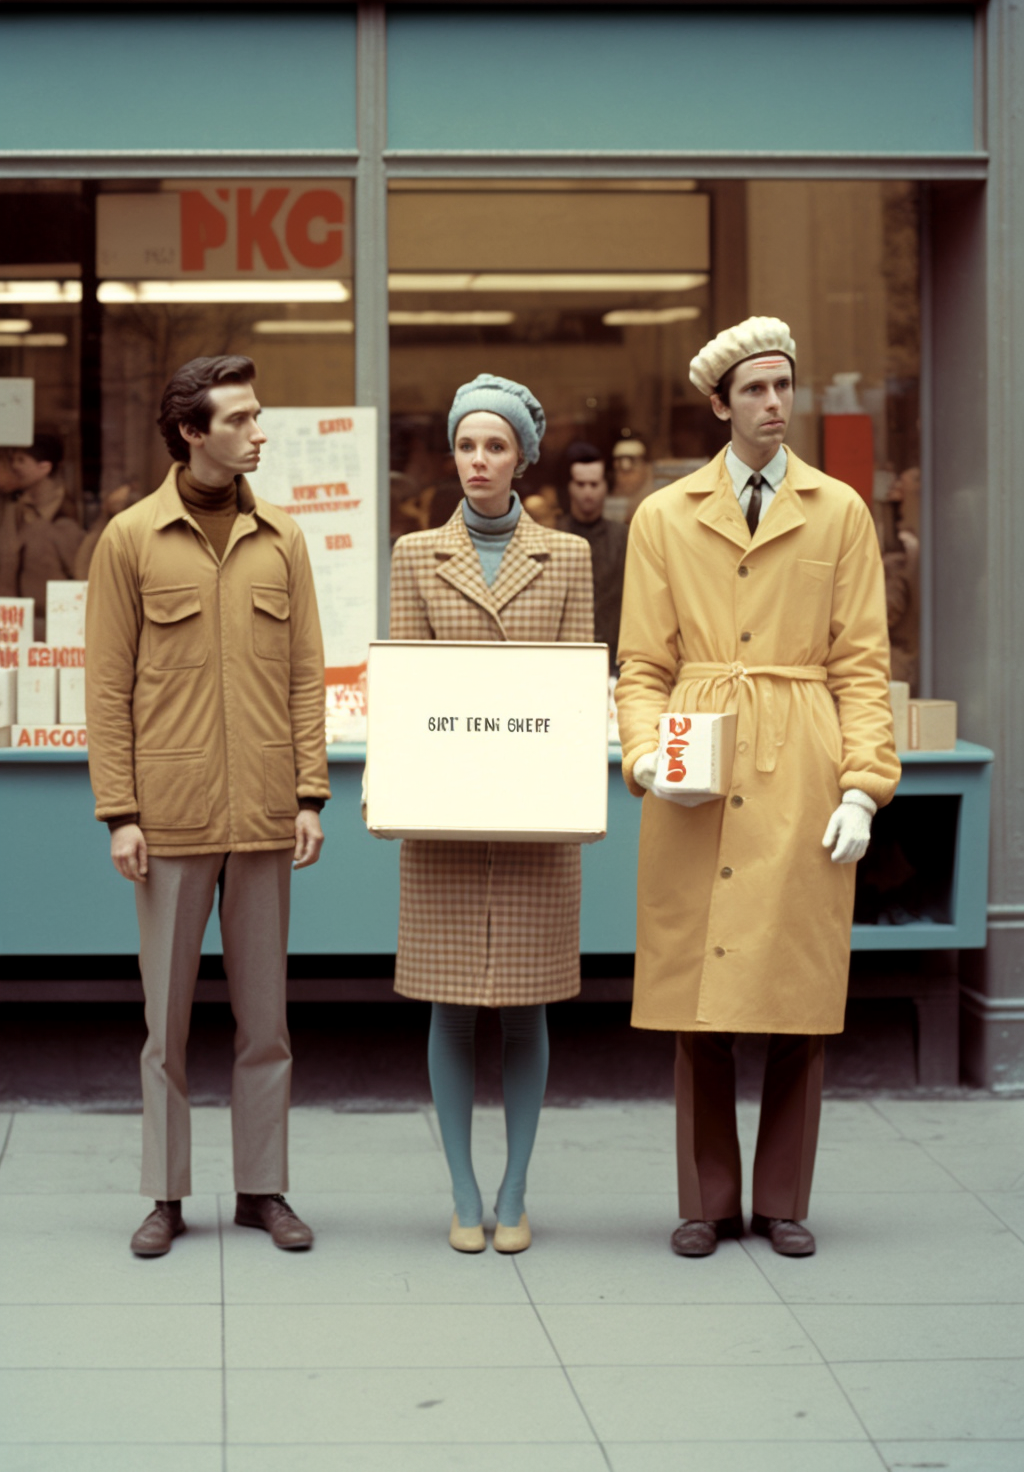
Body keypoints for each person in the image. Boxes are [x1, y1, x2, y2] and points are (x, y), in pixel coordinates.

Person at [615, 317, 899, 1258]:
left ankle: (781, 1200)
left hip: (802, 762)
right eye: (756, 391)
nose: (776, 405)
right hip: (698, 762)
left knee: (795, 993)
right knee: (698, 998)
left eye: (785, 386)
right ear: (718, 405)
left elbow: (861, 662)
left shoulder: (841, 511)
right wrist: (645, 752)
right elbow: (642, 664)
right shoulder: (663, 515)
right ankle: (705, 1201)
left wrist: (863, 786)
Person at [85, 355, 330, 1257]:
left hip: (266, 813)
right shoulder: (132, 540)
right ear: (193, 432)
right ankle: (165, 1194)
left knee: (266, 1021)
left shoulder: (284, 540)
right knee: (169, 1023)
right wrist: (121, 812)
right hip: (171, 817)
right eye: (242, 419)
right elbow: (106, 692)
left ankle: (263, 1189)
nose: (260, 432)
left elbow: (307, 675)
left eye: (258, 416)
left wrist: (311, 794)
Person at [384, 373, 593, 1254]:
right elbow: (406, 691)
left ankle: (516, 1186)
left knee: (529, 1004)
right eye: (467, 445)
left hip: (537, 819)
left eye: (495, 445)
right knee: (449, 1004)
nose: (479, 460)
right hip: (445, 817)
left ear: (522, 457)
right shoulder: (413, 555)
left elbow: (578, 689)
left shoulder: (570, 557)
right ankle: (463, 1188)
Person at [0, 433, 84, 639]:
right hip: (11, 624)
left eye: (21, 460)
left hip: (53, 626)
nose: (14, 467)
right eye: (12, 460)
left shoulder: (65, 517)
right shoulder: (14, 508)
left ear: (44, 467)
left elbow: (80, 574)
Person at [557, 441, 628, 672]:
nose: (588, 492)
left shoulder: (624, 538)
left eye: (594, 484)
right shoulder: (553, 537)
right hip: (565, 654)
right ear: (569, 487)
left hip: (615, 657)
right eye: (580, 484)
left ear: (606, 487)